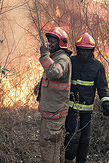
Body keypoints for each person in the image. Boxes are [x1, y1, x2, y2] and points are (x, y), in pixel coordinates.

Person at [64, 33, 109, 163]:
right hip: (71, 110)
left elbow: (102, 87)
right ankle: (69, 160)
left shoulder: (98, 66)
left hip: (87, 112)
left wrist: (106, 103)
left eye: (88, 50)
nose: (85, 53)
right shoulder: (71, 62)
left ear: (92, 51)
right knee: (74, 137)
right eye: (82, 50)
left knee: (84, 141)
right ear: (78, 49)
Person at [34, 27, 72, 163]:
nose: (49, 43)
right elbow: (51, 75)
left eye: (53, 41)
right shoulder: (55, 57)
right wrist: (41, 84)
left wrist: (44, 55)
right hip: (51, 111)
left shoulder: (63, 59)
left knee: (48, 144)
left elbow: (55, 72)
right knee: (53, 145)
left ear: (61, 42)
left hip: (55, 112)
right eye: (48, 40)